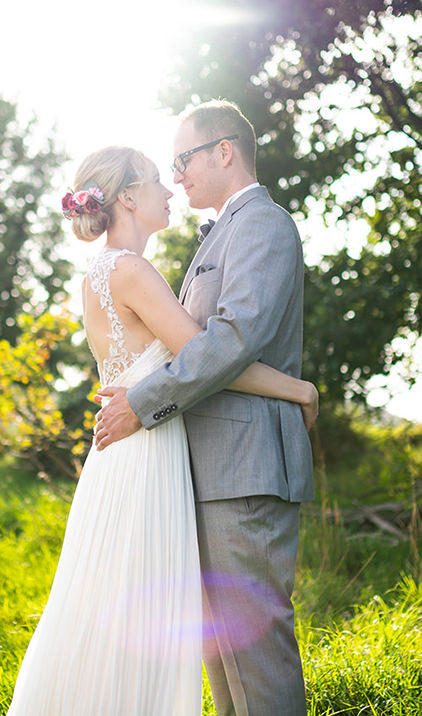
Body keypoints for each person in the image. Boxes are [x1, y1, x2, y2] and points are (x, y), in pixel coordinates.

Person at [7, 144, 317, 716]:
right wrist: (296, 387)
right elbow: (206, 354)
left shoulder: (102, 272)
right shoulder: (131, 269)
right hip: (146, 453)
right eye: (155, 179)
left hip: (127, 452)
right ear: (127, 196)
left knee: (118, 609)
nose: (169, 189)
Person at [94, 101, 314, 716]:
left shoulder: (262, 225)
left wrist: (142, 401)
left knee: (255, 659)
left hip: (244, 469)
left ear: (225, 151)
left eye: (184, 159)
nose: (178, 174)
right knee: (226, 658)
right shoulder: (224, 230)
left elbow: (232, 339)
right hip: (213, 470)